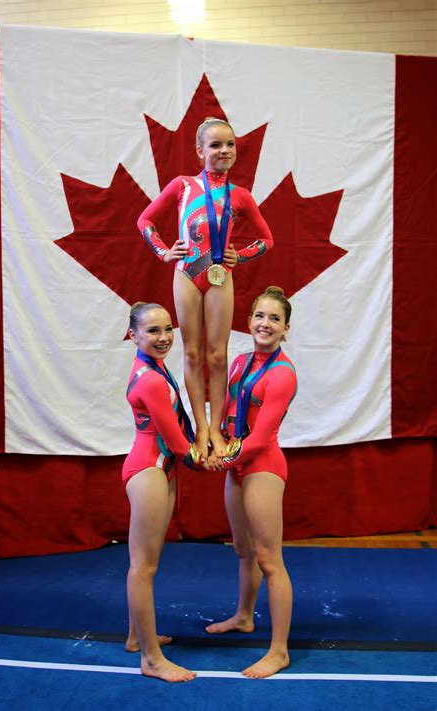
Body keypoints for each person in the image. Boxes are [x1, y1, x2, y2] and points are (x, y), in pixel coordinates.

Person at [137, 117, 274, 461]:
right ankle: (199, 428)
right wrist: (165, 252)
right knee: (193, 354)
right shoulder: (182, 186)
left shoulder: (240, 196)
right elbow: (145, 220)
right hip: (187, 273)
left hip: (219, 275)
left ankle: (216, 427)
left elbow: (267, 240)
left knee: (216, 355)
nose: (224, 150)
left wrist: (239, 256)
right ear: (200, 152)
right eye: (215, 145)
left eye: (230, 144)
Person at [205, 286, 297, 679]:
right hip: (236, 466)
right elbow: (224, 412)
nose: (265, 324)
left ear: (286, 329)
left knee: (269, 559)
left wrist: (221, 456)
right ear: (249, 321)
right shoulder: (241, 362)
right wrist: (212, 440)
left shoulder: (283, 374)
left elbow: (259, 439)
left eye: (274, 319)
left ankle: (279, 651)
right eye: (260, 316)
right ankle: (244, 617)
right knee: (243, 549)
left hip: (262, 467)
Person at [122, 301, 202, 683]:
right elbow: (176, 441)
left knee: (147, 562)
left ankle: (138, 636)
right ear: (132, 335)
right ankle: (152, 660)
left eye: (168, 328)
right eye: (152, 331)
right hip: (150, 469)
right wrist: (214, 457)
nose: (164, 337)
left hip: (159, 468)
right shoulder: (152, 378)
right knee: (144, 566)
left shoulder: (154, 365)